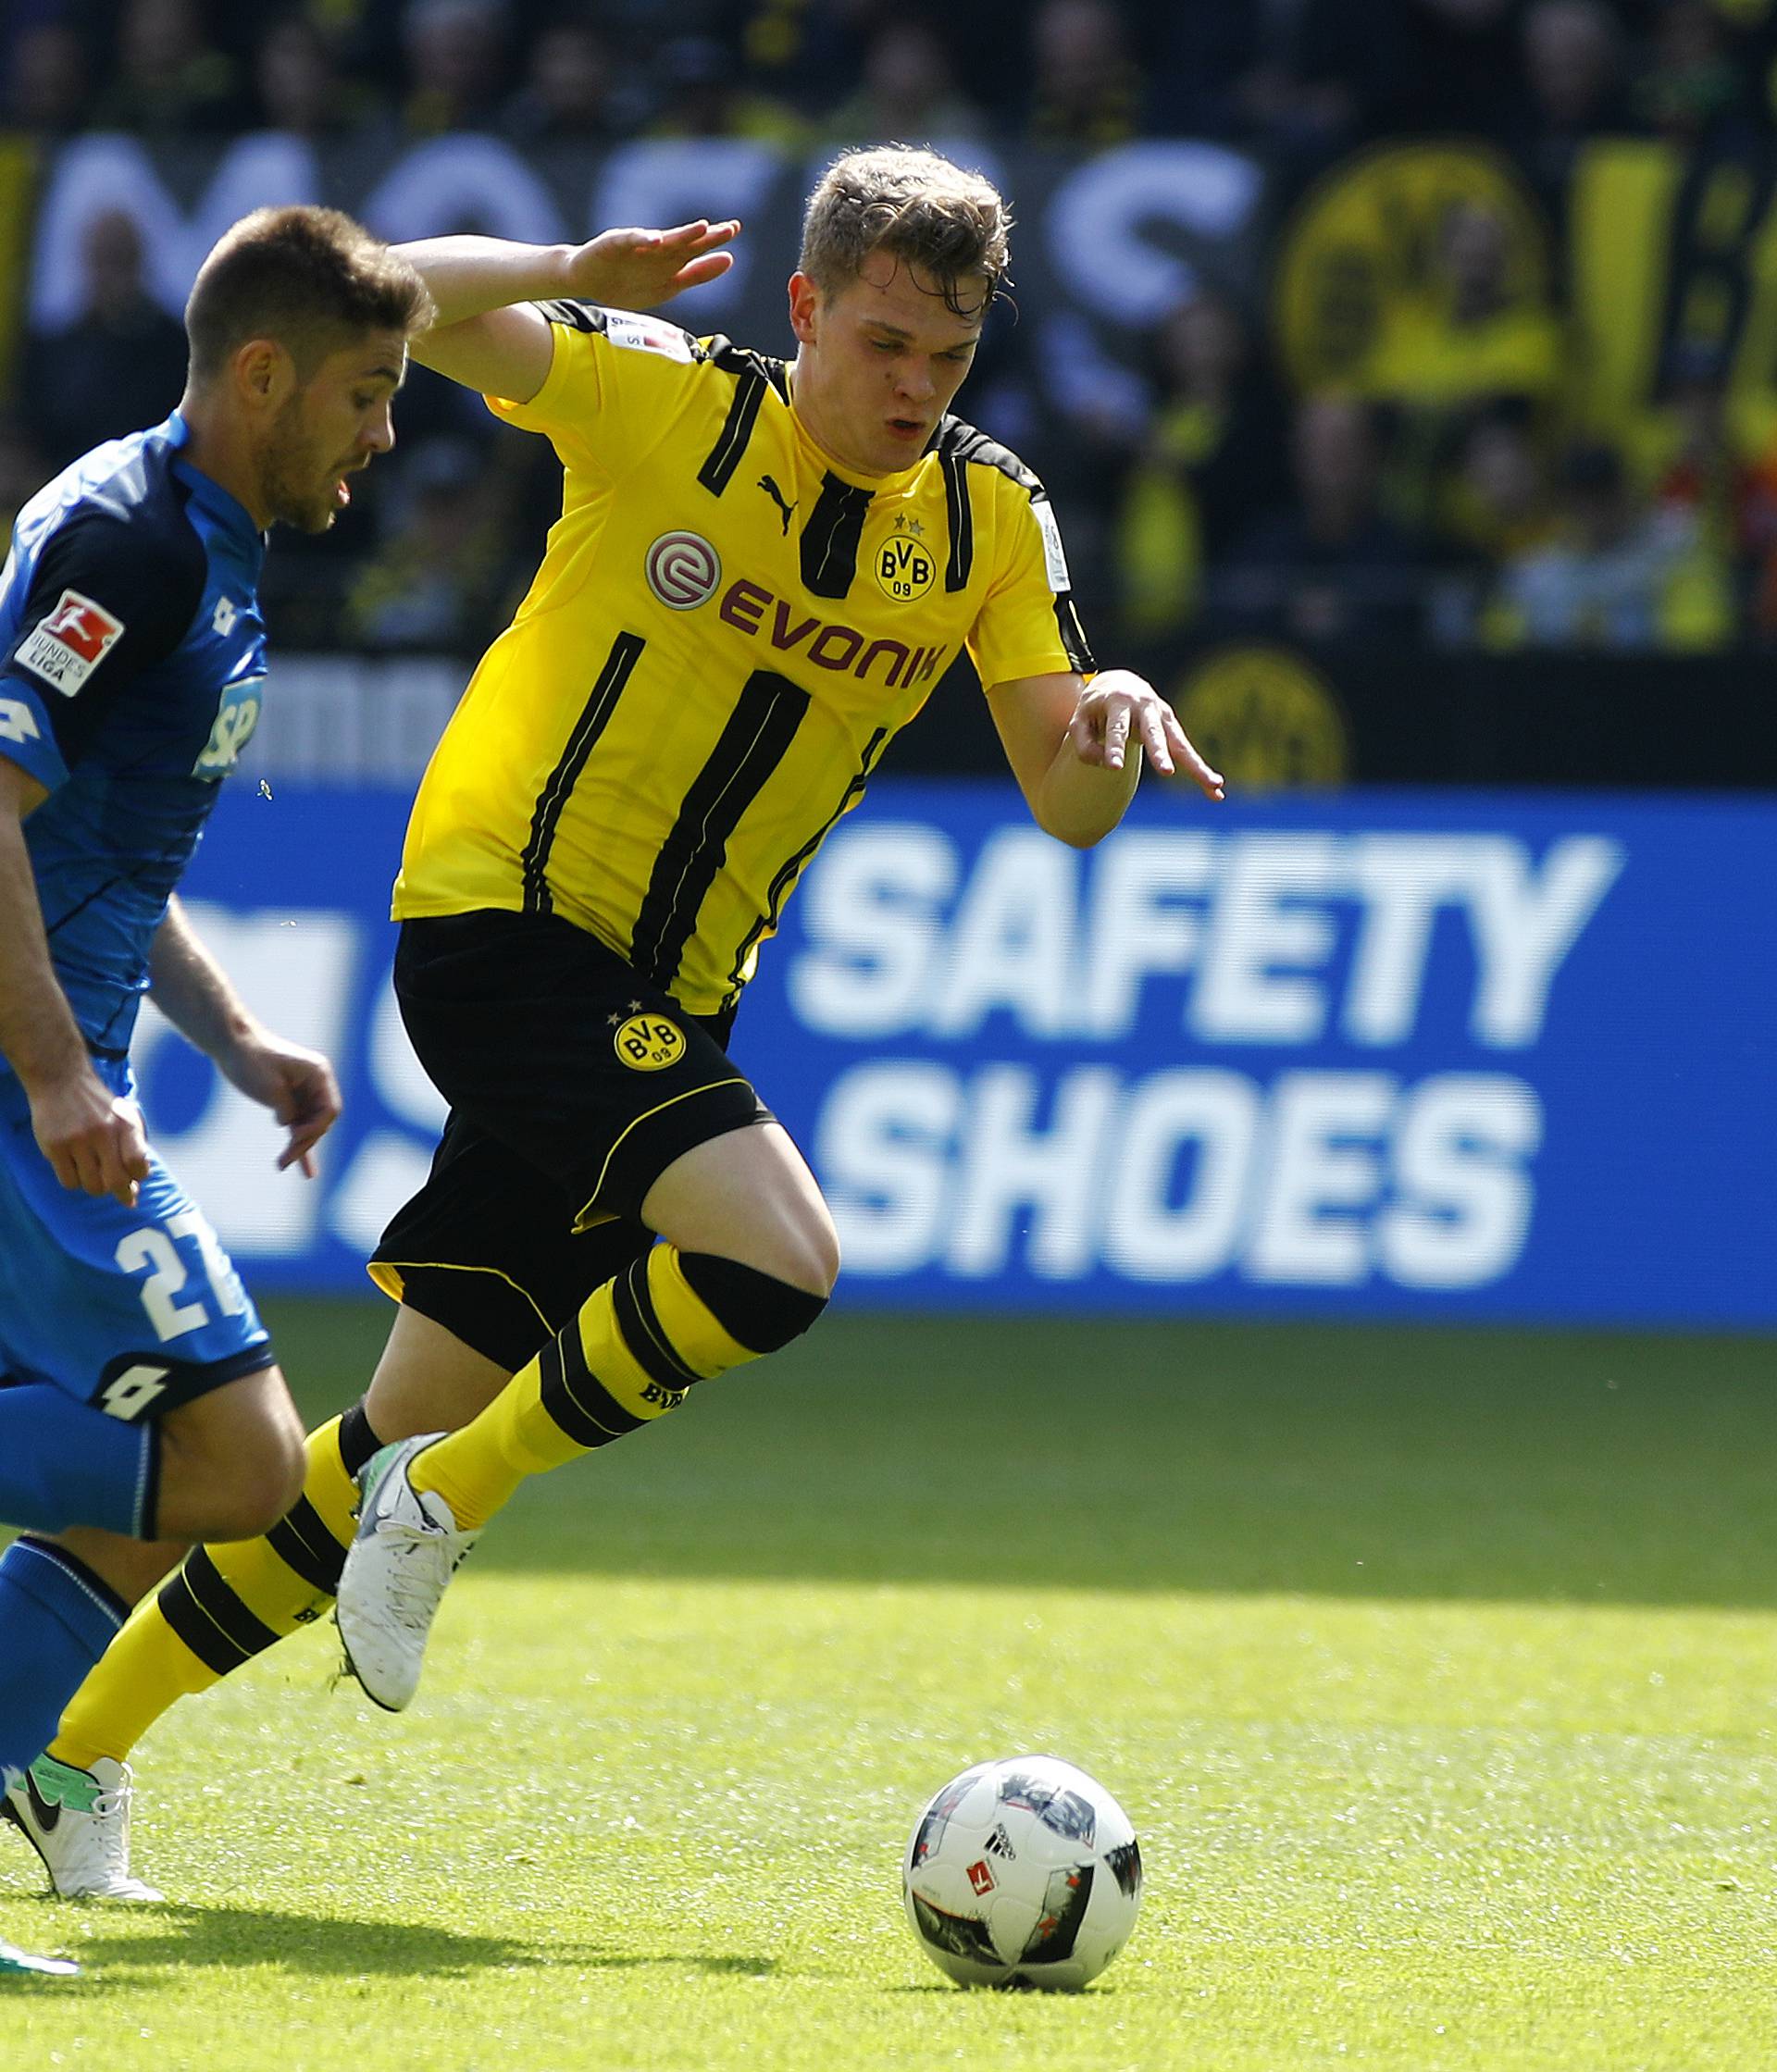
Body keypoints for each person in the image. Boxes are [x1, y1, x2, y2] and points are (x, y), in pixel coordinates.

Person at [7, 148, 1224, 1905]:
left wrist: (1101, 709)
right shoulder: (664, 404)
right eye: (881, 342)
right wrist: (574, 263)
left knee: (382, 1432)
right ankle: (455, 1508)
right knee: (779, 1259)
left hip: (663, 1000)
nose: (910, 389)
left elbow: (1067, 800)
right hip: (498, 926)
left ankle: (71, 1756)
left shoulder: (990, 524)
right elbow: (380, 302)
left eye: (945, 361)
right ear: (803, 306)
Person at [0, 204, 432, 1972]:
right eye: (365, 394)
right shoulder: (132, 541)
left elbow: (109, 838)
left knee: (131, 1489)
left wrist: (237, 1034)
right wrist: (49, 1081)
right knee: (243, 1459)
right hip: (27, 1087)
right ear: (262, 374)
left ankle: (36, 1770)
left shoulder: (196, 532)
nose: (383, 436)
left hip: (70, 1056)